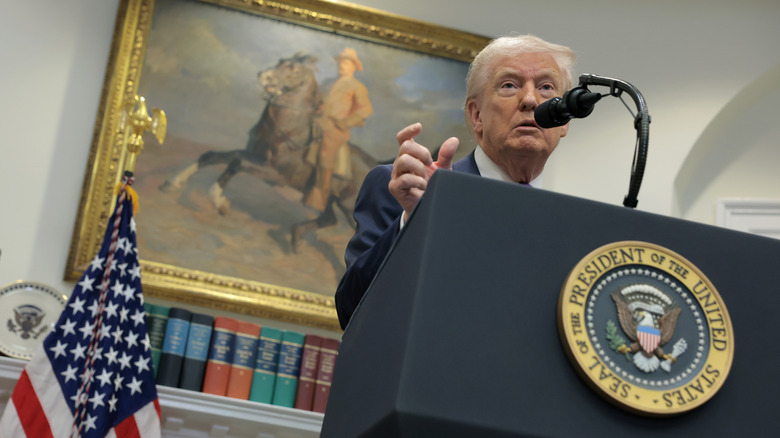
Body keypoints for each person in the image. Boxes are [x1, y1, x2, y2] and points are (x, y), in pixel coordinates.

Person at [334, 34, 576, 329]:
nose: (529, 100)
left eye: (546, 87)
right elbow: (352, 310)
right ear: (476, 116)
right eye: (509, 85)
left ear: (563, 121)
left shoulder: (565, 229)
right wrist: (415, 219)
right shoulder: (404, 189)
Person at [303, 48, 374, 212]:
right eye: (341, 62)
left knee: (325, 154)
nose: (342, 65)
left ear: (354, 67)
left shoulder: (357, 86)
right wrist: (319, 107)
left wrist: (345, 122)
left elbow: (366, 110)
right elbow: (319, 99)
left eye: (346, 62)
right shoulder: (329, 82)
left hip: (336, 129)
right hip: (319, 122)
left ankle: (320, 196)